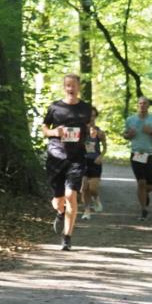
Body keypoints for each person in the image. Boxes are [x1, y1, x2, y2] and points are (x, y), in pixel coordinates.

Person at [41, 74, 92, 250]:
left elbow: (89, 126)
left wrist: (92, 132)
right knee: (58, 200)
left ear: (79, 87)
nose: (70, 88)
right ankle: (60, 212)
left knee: (71, 195)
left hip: (77, 156)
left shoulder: (86, 108)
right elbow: (44, 128)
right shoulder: (55, 107)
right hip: (56, 155)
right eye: (67, 85)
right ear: (64, 87)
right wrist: (55, 132)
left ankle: (67, 237)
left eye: (74, 85)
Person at [123, 97, 152, 220]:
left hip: (150, 155)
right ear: (137, 105)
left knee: (149, 187)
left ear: (148, 106)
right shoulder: (130, 120)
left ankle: (145, 194)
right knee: (141, 183)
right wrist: (128, 135)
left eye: (144, 103)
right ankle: (143, 209)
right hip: (136, 154)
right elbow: (125, 135)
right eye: (140, 103)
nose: (142, 105)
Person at [80, 106, 107, 220]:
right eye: (88, 115)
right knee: (84, 188)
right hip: (82, 161)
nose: (90, 117)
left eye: (93, 115)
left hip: (95, 162)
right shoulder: (80, 131)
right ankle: (87, 211)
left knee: (93, 188)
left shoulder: (99, 132)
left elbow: (105, 147)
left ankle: (96, 199)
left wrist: (101, 156)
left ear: (96, 117)